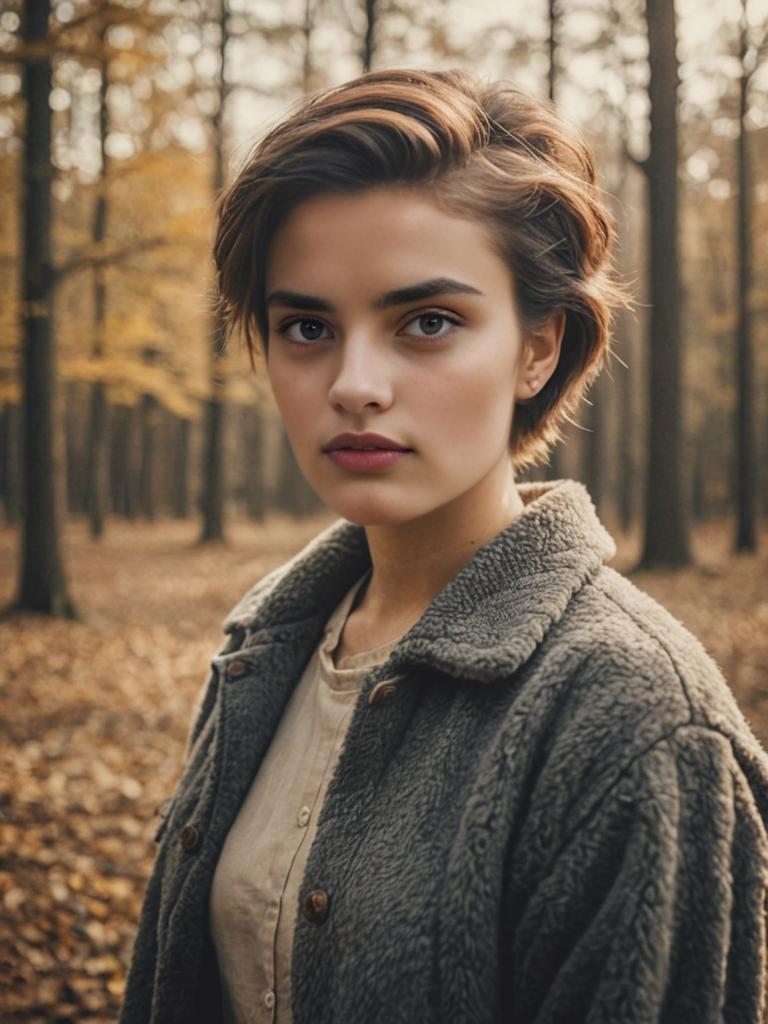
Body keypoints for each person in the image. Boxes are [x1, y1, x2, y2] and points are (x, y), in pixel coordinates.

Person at [120, 68, 768, 1024]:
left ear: (539, 346)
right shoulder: (267, 639)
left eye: (426, 322)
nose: (355, 384)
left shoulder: (637, 722)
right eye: (306, 326)